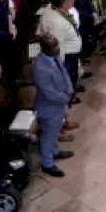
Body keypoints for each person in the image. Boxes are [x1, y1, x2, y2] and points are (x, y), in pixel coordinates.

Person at [32, 34, 75, 177]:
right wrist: (66, 98)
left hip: (59, 104)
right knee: (48, 136)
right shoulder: (40, 67)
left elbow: (64, 72)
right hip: (49, 107)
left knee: (55, 131)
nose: (58, 49)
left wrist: (69, 89)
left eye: (57, 45)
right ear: (45, 49)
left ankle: (55, 152)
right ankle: (47, 164)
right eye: (54, 47)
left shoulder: (53, 56)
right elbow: (49, 93)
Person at [35, 0, 82, 95]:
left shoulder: (53, 7)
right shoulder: (57, 23)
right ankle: (68, 97)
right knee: (69, 77)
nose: (74, 1)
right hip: (66, 58)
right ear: (64, 3)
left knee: (72, 76)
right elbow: (56, 50)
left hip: (69, 53)